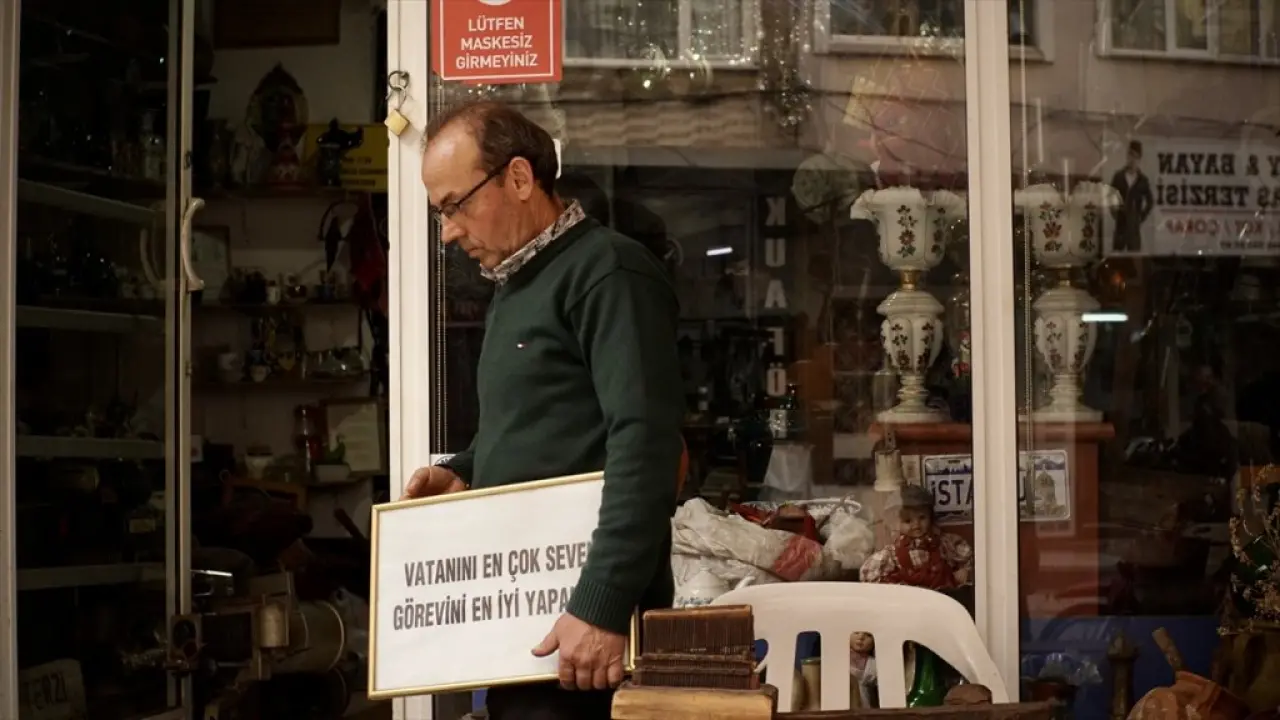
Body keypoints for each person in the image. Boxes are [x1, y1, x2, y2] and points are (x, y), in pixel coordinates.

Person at [405, 101, 685, 720]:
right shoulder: (517, 285)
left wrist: (602, 605)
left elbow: (645, 443)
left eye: (455, 205)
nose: (448, 231)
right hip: (530, 628)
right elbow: (546, 425)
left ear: (519, 178)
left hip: (589, 640)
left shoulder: (608, 273)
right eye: (439, 214)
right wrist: (466, 470)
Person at [1110, 140, 1154, 253]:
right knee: (1117, 256)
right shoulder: (1118, 177)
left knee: (1134, 256)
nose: (1132, 160)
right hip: (1120, 226)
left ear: (1139, 159)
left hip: (1134, 228)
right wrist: (1115, 213)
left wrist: (1140, 217)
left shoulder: (1142, 180)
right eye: (1131, 155)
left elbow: (1150, 202)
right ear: (1127, 156)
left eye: (1136, 157)